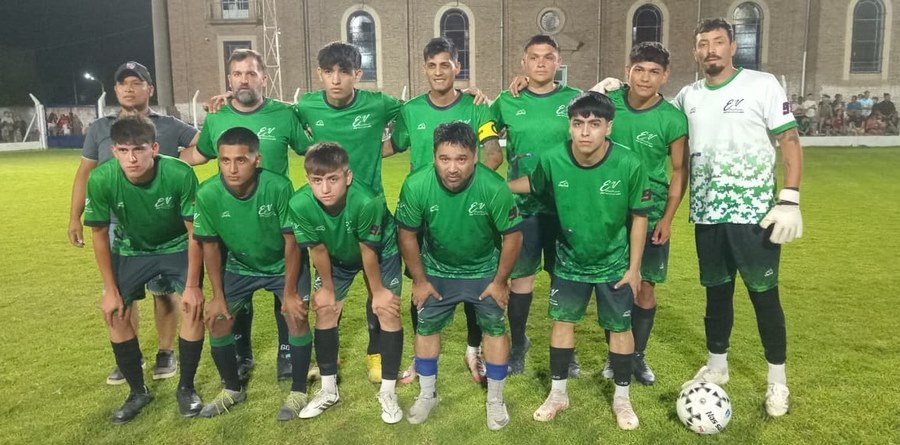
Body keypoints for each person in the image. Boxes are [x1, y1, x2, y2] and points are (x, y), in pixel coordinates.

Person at [672, 18, 803, 418]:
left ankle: (777, 381)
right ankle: (717, 366)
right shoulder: (687, 96)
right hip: (707, 214)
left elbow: (789, 139)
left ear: (732, 47)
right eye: (703, 43)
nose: (710, 49)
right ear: (695, 51)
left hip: (754, 216)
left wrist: (790, 197)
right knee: (716, 296)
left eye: (718, 42)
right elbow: (651, 117)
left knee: (764, 297)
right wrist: (612, 92)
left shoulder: (761, 84)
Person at [507, 91, 652, 430]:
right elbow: (533, 185)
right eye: (578, 123)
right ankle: (558, 395)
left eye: (594, 124)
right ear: (570, 126)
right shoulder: (553, 158)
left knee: (620, 328)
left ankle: (622, 399)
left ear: (608, 127)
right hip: (570, 260)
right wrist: (490, 185)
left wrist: (634, 268)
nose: (585, 132)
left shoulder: (630, 164)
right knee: (562, 323)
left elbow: (640, 217)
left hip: (614, 262)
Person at [180, 49, 310, 382]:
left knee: (286, 293)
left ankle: (286, 354)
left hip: (275, 217)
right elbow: (200, 154)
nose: (244, 80)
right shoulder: (217, 116)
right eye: (237, 74)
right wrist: (162, 161)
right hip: (232, 224)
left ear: (264, 78)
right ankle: (242, 353)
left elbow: (310, 152)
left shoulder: (284, 114)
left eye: (251, 73)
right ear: (229, 80)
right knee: (236, 296)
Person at [69, 61, 199, 386]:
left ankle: (166, 352)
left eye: (136, 82)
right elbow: (85, 172)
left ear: (149, 89)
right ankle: (131, 357)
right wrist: (74, 216)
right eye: (123, 83)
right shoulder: (100, 128)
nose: (129, 88)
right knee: (120, 294)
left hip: (163, 220)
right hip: (116, 223)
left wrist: (174, 161)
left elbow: (205, 145)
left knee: (163, 291)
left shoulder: (169, 125)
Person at [387, 37, 502, 384]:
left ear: (457, 67)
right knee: (419, 281)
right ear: (425, 69)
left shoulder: (477, 107)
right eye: (432, 65)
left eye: (445, 65)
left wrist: (468, 188)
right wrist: (349, 151)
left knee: (474, 281)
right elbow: (393, 145)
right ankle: (419, 355)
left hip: (470, 209)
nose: (438, 72)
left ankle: (473, 350)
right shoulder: (410, 111)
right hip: (424, 211)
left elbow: (493, 153)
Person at [395, 122, 523, 430]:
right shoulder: (416, 184)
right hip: (437, 271)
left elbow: (514, 236)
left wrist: (500, 281)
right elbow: (406, 235)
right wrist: (420, 280)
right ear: (434, 156)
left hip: (484, 271)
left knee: (495, 330)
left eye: (461, 159)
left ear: (475, 157)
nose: (452, 168)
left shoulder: (493, 187)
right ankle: (428, 394)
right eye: (444, 158)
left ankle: (495, 399)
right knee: (426, 329)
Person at [293, 42, 405, 383]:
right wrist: (228, 102)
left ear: (358, 74)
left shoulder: (378, 103)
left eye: (344, 72)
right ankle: (330, 355)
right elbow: (279, 119)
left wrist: (386, 146)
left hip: (370, 212)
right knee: (326, 298)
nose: (336, 79)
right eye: (329, 72)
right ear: (320, 74)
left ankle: (376, 355)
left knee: (379, 295)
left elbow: (414, 111)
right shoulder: (307, 105)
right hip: (329, 217)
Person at [83, 115, 205, 423]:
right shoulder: (102, 178)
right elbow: (99, 234)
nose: (132, 158)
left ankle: (186, 388)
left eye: (139, 149)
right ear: (114, 151)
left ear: (154, 148)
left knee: (192, 307)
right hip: (131, 249)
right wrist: (111, 290)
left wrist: (192, 286)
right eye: (124, 150)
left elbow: (195, 233)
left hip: (177, 245)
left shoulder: (179, 173)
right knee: (115, 312)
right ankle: (138, 392)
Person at [192, 127, 313, 419]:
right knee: (218, 320)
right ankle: (232, 389)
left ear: (257, 160)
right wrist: (217, 296)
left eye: (241, 160)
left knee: (295, 316)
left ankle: (298, 391)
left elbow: (292, 242)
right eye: (225, 160)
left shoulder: (278, 186)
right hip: (240, 267)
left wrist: (289, 292)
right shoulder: (207, 193)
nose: (232, 169)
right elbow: (210, 246)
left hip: (283, 265)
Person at [289, 142, 404, 423]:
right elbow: (317, 250)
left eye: (333, 179)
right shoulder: (299, 204)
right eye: (317, 180)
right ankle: (329, 390)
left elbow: (368, 250)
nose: (325, 188)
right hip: (335, 255)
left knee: (387, 310)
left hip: (380, 251)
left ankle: (388, 392)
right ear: (308, 180)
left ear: (348, 176)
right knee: (325, 308)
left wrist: (378, 292)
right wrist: (328, 289)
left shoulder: (367, 201)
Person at [597, 42, 688, 386]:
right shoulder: (609, 104)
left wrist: (667, 218)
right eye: (639, 70)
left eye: (653, 72)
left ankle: (637, 356)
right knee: (614, 285)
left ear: (664, 76)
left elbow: (678, 170)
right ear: (627, 71)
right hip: (610, 209)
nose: (645, 78)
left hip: (651, 212)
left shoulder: (672, 118)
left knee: (646, 286)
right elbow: (574, 116)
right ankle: (614, 355)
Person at [490, 34, 582, 376]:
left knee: (565, 278)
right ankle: (518, 344)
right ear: (524, 62)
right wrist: (474, 98)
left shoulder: (575, 99)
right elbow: (482, 125)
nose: (541, 63)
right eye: (534, 57)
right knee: (521, 281)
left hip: (565, 207)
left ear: (558, 62)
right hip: (522, 208)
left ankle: (566, 351)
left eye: (548, 57)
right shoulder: (506, 101)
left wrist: (614, 83)